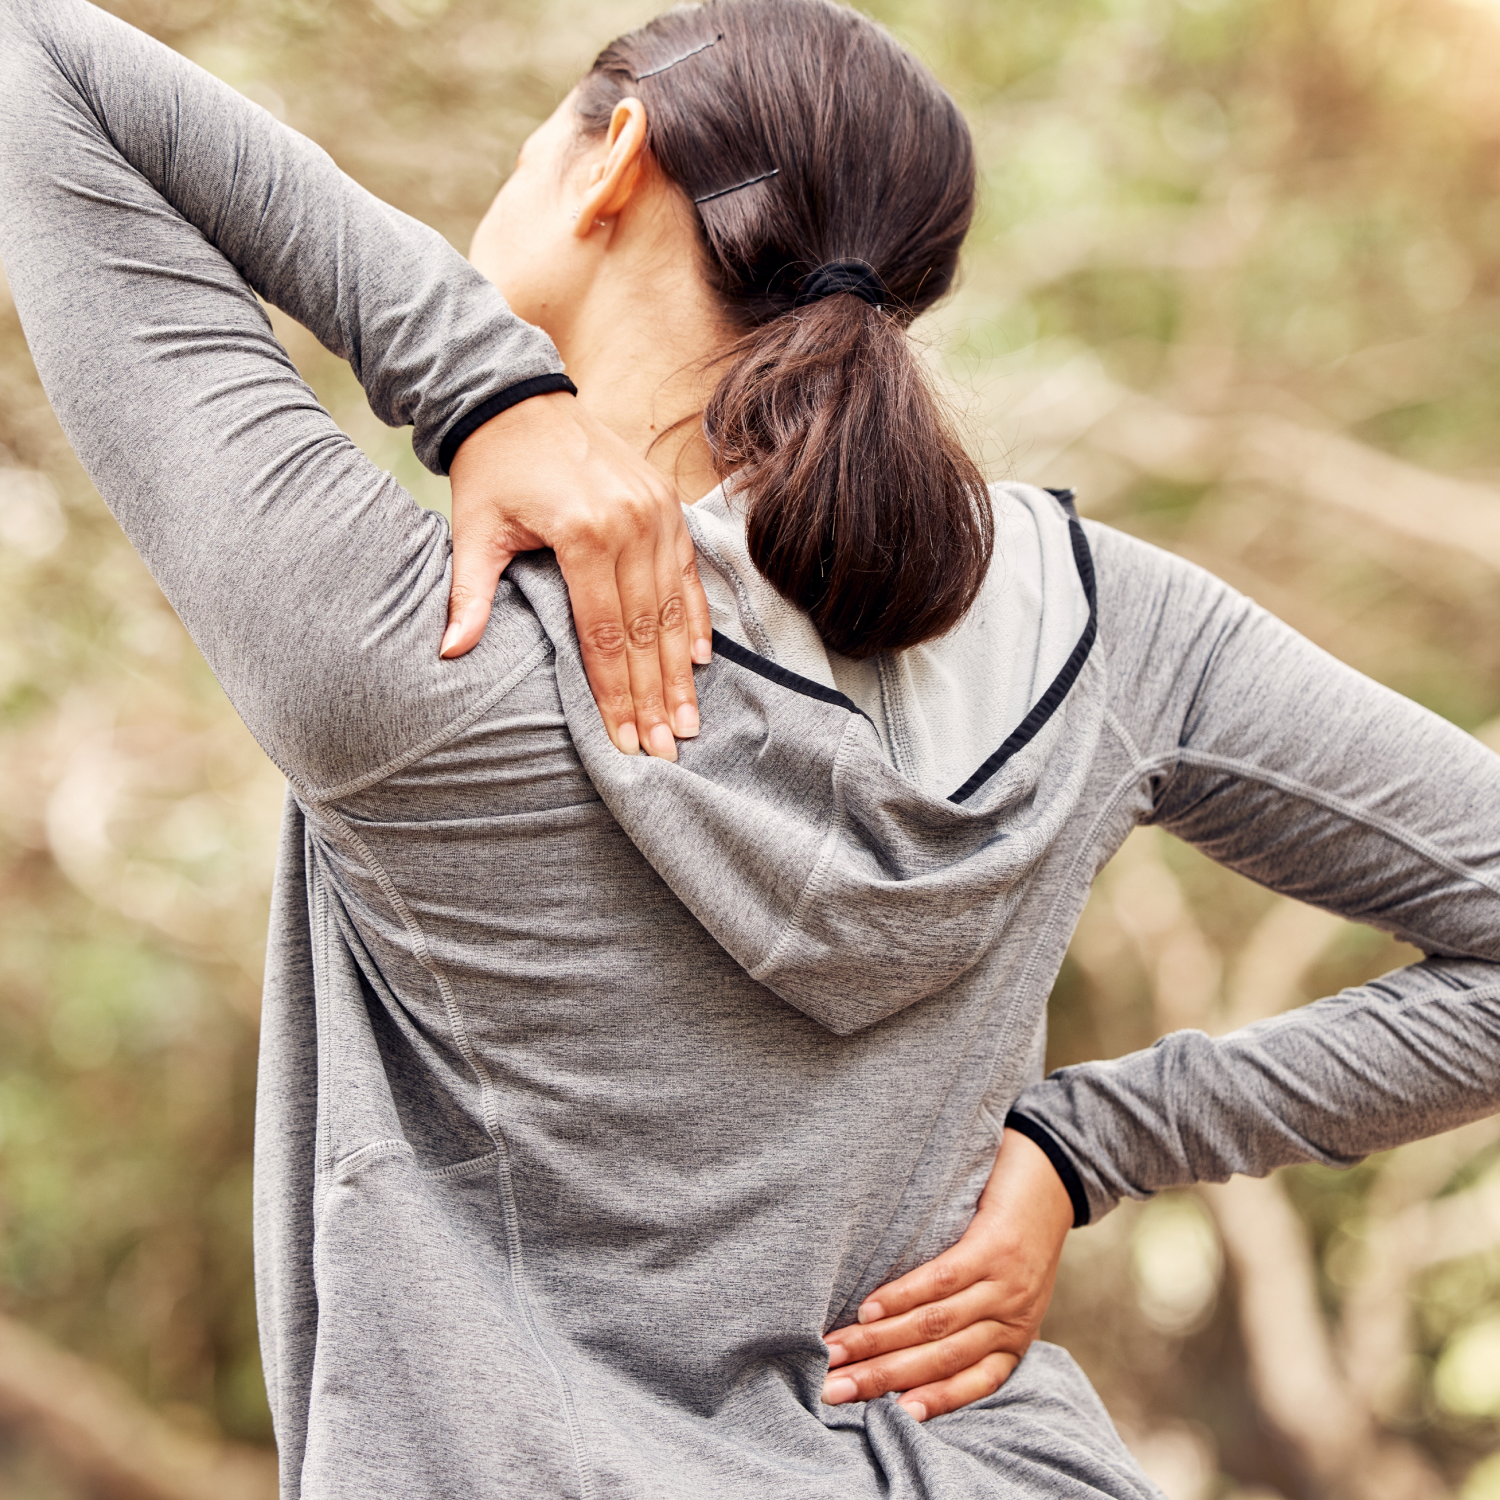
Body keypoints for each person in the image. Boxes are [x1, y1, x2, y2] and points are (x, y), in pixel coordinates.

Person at [1, 1, 1497, 1497]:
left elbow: (38, 63)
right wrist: (1089, 1145)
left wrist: (477, 384)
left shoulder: (417, 648)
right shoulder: (1117, 632)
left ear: (615, 156)